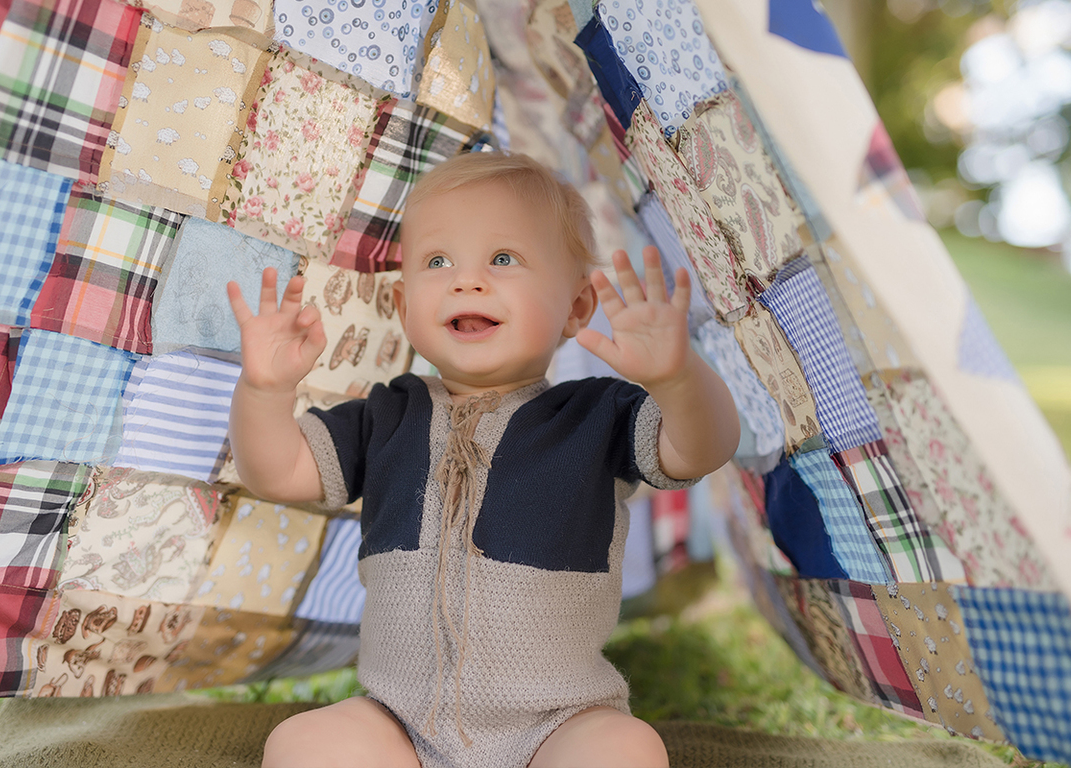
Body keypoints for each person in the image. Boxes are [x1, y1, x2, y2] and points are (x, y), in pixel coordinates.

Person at [226, 151, 740, 768]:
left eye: (502, 259)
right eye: (437, 262)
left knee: (626, 749)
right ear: (404, 308)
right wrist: (264, 391)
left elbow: (701, 448)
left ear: (577, 308)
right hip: (400, 726)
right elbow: (277, 471)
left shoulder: (595, 415)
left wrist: (679, 380)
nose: (466, 282)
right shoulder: (386, 415)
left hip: (556, 726)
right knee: (304, 743)